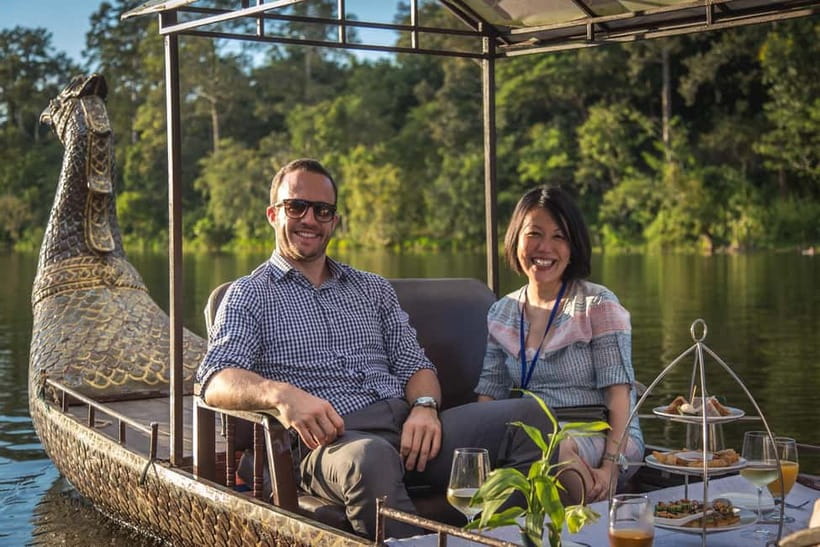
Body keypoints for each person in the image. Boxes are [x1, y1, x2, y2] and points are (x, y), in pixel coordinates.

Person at [196, 158, 554, 539]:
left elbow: (415, 365)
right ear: (273, 214)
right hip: (328, 442)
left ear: (334, 220)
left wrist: (425, 407)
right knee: (371, 458)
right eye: (296, 207)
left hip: (405, 428)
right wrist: (282, 395)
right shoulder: (249, 294)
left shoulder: (372, 288)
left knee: (530, 417)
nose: (310, 219)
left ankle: (501, 539)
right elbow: (215, 379)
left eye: (322, 210)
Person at [475, 185, 644, 504]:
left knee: (554, 446)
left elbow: (619, 394)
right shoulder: (501, 312)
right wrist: (483, 449)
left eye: (559, 236)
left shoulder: (598, 303)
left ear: (573, 245)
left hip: (603, 433)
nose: (545, 247)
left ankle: (590, 519)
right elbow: (490, 392)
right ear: (516, 238)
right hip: (533, 434)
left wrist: (610, 467)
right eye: (534, 234)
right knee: (537, 444)